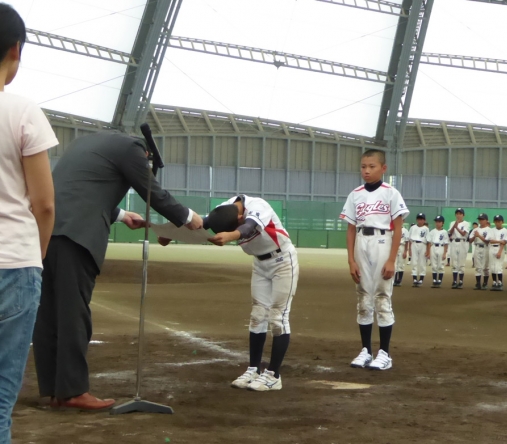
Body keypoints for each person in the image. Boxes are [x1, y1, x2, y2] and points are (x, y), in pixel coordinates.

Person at [32, 131, 204, 411]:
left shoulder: (84, 144)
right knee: (74, 312)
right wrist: (187, 217)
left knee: (49, 313)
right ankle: (73, 391)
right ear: (147, 153)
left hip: (46, 231)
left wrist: (123, 216)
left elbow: (78, 189)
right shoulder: (133, 149)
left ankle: (54, 389)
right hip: (77, 235)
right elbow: (152, 191)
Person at [167, 196, 298, 391]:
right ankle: (254, 369)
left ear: (239, 216)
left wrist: (231, 235)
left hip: (283, 261)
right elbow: (201, 224)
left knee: (278, 317)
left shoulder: (258, 206)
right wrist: (172, 233)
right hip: (260, 264)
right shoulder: (223, 209)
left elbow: (249, 227)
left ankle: (273, 375)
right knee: (257, 316)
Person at [0, 4, 58, 441]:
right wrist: (35, 257)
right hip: (14, 265)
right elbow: (44, 205)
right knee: (0, 399)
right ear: (15, 50)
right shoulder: (22, 112)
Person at [339, 149, 409, 371]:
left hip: (382, 241)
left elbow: (398, 229)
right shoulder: (355, 194)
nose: (366, 171)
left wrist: (391, 260)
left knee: (381, 296)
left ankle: (385, 353)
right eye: (363, 167)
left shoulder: (391, 193)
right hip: (362, 241)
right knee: (363, 297)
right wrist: (351, 260)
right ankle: (366, 350)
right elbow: (351, 229)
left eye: (372, 166)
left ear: (383, 168)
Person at [448, 208, 470, 289]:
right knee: (454, 262)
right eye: (457, 213)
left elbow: (464, 233)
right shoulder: (452, 223)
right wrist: (454, 225)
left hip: (462, 242)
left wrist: (456, 227)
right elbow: (450, 233)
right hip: (454, 242)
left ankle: (460, 281)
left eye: (460, 214)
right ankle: (454, 281)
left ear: (463, 215)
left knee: (461, 262)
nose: (458, 215)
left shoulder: (466, 223)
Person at [425, 215, 449, 288]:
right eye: (436, 222)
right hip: (433, 247)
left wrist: (445, 253)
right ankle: (435, 280)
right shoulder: (432, 231)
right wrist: (428, 252)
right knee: (434, 265)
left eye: (439, 222)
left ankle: (440, 281)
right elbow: (428, 242)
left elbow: (446, 243)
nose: (437, 223)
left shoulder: (444, 232)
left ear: (442, 223)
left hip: (441, 247)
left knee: (440, 265)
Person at [469, 214, 491, 290]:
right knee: (477, 266)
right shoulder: (475, 230)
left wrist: (479, 236)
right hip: (477, 247)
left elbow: (487, 241)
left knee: (485, 267)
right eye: (480, 219)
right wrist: (475, 236)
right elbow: (470, 240)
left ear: (486, 220)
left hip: (486, 248)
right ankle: (478, 283)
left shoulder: (489, 229)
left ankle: (485, 283)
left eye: (482, 219)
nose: (480, 221)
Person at [487, 215, 507, 291]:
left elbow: (504, 242)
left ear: (502, 222)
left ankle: (499, 282)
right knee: (492, 266)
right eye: (496, 221)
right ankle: (494, 282)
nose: (497, 223)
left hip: (500, 248)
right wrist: (499, 241)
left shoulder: (505, 230)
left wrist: (500, 251)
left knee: (498, 266)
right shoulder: (491, 230)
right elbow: (490, 240)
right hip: (492, 248)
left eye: (499, 221)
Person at [408, 213, 428, 287]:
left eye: (422, 219)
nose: (420, 220)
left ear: (424, 220)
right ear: (417, 220)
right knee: (414, 261)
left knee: (422, 262)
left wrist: (428, 250)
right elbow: (409, 239)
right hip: (414, 243)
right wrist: (409, 250)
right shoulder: (413, 228)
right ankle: (415, 279)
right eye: (419, 219)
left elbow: (428, 240)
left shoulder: (426, 229)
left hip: (423, 244)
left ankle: (421, 279)